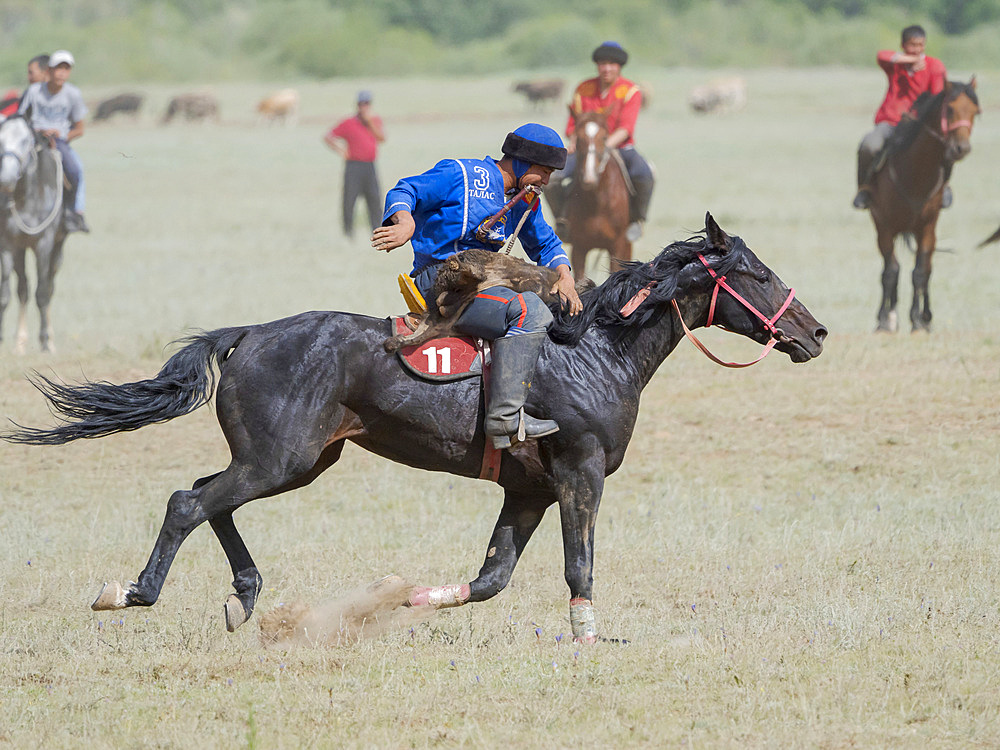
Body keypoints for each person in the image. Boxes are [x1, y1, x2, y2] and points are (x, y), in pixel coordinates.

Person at [371, 123, 583, 450]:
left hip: (481, 279)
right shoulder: (461, 174)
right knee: (530, 312)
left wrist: (565, 274)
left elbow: (546, 243)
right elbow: (405, 190)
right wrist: (405, 221)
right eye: (543, 171)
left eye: (551, 174)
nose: (546, 181)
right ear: (523, 161)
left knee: (551, 303)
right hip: (442, 279)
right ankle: (505, 419)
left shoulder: (524, 201)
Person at [546, 41, 654, 243]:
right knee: (552, 178)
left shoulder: (630, 91)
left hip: (620, 147)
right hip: (584, 148)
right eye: (603, 63)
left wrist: (604, 147)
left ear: (619, 66)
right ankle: (562, 220)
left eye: (612, 64)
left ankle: (636, 219)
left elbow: (625, 128)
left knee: (644, 173)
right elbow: (573, 124)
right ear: (597, 66)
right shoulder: (583, 89)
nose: (607, 68)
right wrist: (574, 141)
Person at [853, 25, 947, 210]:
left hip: (918, 126)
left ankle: (944, 189)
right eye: (912, 45)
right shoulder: (895, 66)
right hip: (890, 121)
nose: (917, 50)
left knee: (946, 148)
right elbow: (882, 55)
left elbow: (937, 98)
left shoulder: (934, 66)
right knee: (869, 146)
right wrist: (907, 60)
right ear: (903, 45)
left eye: (921, 45)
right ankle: (864, 188)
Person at [18, 49, 89, 233]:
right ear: (49, 71)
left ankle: (71, 213)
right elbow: (20, 119)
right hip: (32, 140)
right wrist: (37, 131)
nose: (62, 73)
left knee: (74, 170)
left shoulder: (72, 94)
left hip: (58, 143)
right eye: (58, 68)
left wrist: (61, 135)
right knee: (10, 165)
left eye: (66, 69)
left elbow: (80, 128)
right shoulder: (34, 92)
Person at [324, 90, 385, 238]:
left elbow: (381, 138)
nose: (364, 107)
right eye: (361, 104)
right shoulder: (349, 123)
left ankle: (377, 232)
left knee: (374, 200)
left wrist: (369, 122)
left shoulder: (374, 121)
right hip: (353, 165)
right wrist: (341, 150)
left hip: (370, 165)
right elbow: (329, 136)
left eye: (367, 104)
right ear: (357, 105)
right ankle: (348, 232)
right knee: (349, 200)